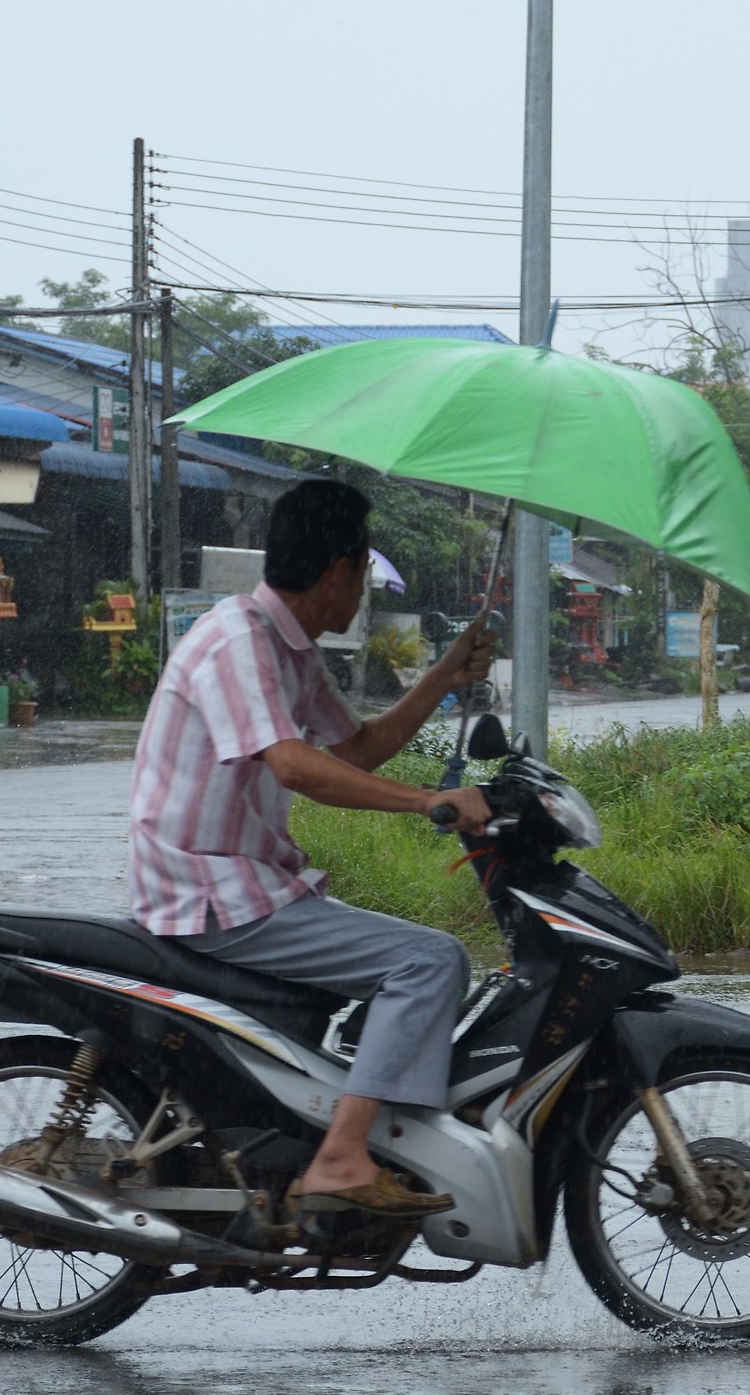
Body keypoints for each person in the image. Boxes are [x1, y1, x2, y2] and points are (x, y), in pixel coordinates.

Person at [128, 479, 497, 1217]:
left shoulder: (286, 649)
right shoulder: (238, 641)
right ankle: (340, 1158)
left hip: (246, 881)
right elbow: (296, 765)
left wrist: (443, 677)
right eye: (362, 571)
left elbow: (357, 750)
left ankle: (331, 1135)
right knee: (430, 960)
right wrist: (431, 802)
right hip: (210, 889)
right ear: (338, 573)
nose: (361, 589)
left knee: (416, 961)